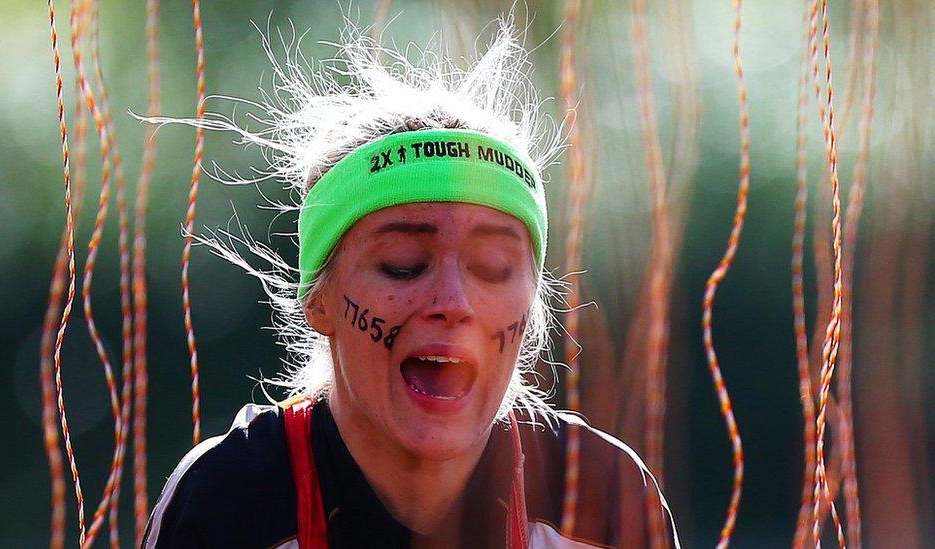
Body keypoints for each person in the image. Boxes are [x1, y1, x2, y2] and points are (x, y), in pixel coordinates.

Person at [142, 9, 677, 549]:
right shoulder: (227, 500)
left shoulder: (605, 499)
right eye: (402, 263)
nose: (453, 301)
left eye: (493, 268)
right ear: (319, 299)